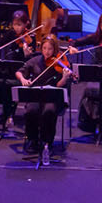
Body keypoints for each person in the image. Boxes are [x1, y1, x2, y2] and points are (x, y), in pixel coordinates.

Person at [16, 34, 73, 162]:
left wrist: (64, 78)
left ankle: (47, 141)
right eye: (44, 48)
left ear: (55, 49)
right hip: (36, 96)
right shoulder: (35, 60)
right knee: (31, 110)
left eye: (50, 49)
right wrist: (23, 79)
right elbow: (19, 72)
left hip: (52, 97)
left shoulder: (59, 63)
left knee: (49, 111)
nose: (47, 52)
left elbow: (59, 85)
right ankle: (32, 140)